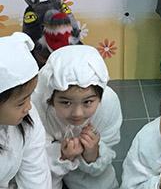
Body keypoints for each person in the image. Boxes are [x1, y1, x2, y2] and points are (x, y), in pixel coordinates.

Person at [31, 45, 122, 189]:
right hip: (49, 172)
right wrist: (62, 155)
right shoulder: (38, 106)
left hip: (91, 178)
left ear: (100, 98)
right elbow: (33, 156)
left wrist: (93, 153)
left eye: (88, 102)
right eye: (66, 102)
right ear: (50, 98)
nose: (77, 113)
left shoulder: (108, 104)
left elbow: (109, 146)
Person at [0, 32, 51, 188]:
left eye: (30, 96)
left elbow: (36, 174)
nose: (29, 107)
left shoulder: (28, 118)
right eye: (21, 102)